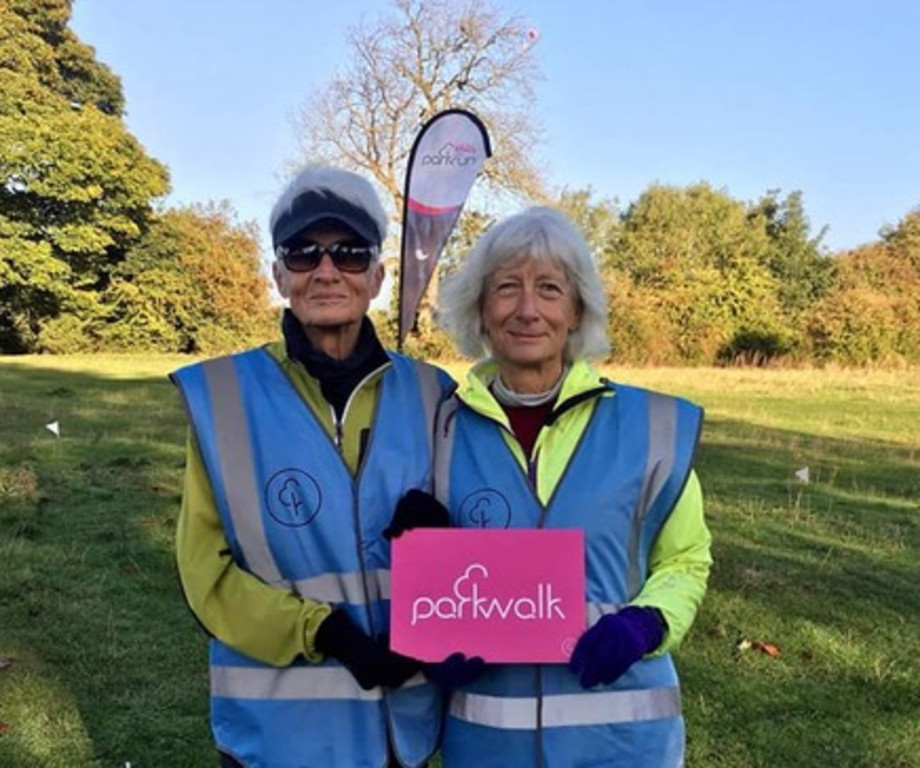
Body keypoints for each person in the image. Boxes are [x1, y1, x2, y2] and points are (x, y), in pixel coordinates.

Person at [171, 165, 455, 768]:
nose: (326, 270)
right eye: (303, 253)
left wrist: (444, 537)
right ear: (278, 274)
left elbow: (481, 544)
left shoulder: (437, 394)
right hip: (276, 738)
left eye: (350, 253)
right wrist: (326, 633)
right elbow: (205, 575)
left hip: (400, 731)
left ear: (378, 275)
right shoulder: (221, 395)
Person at [428, 206, 712, 767]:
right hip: (489, 746)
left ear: (577, 310)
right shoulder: (437, 428)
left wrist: (647, 621)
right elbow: (426, 567)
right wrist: (433, 639)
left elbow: (686, 558)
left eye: (550, 289)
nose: (528, 310)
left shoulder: (650, 427)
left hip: (624, 743)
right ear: (481, 311)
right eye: (507, 288)